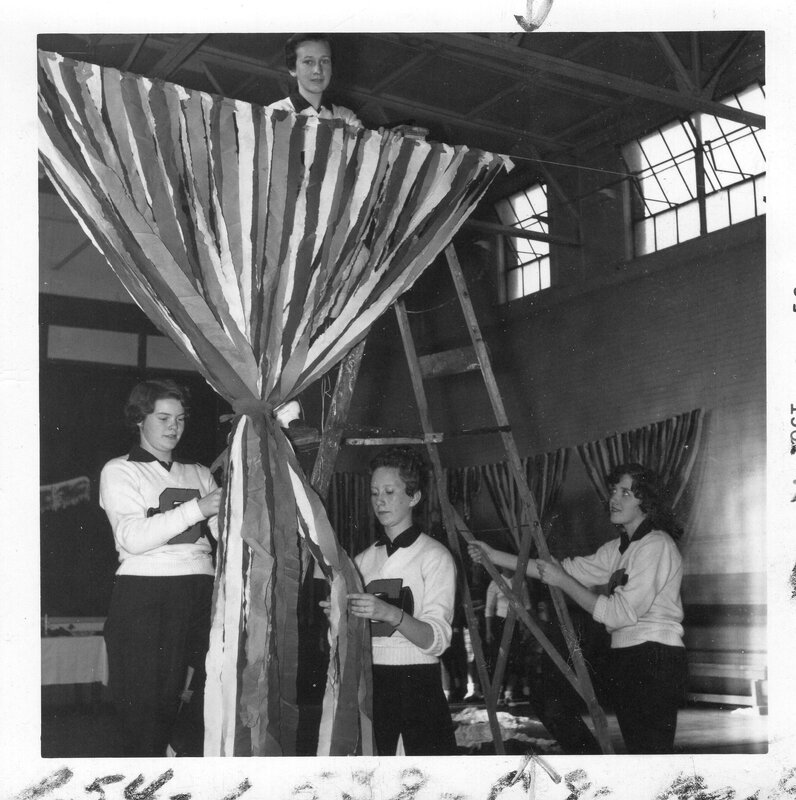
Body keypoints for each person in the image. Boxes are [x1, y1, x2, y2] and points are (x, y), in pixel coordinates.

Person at [468, 463, 687, 754]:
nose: (614, 498)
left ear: (646, 502)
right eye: (614, 491)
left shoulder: (657, 545)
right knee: (548, 698)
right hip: (625, 656)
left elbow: (618, 613)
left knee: (649, 755)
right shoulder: (617, 548)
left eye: (625, 493)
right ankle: (593, 765)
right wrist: (493, 555)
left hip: (655, 659)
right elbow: (559, 570)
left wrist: (563, 581)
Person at [99, 379, 221, 756]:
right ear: (140, 419)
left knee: (217, 687)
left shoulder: (199, 472)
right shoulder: (120, 470)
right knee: (145, 709)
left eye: (180, 419)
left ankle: (185, 754)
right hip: (145, 593)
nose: (174, 427)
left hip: (201, 590)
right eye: (163, 418)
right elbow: (132, 538)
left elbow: (227, 535)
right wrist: (197, 509)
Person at [332, 446, 457, 755]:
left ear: (414, 497)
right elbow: (351, 637)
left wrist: (391, 613)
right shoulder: (361, 560)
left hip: (418, 684)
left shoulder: (435, 556)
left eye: (389, 492)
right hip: (372, 684)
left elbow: (437, 641)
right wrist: (338, 615)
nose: (380, 501)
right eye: (375, 493)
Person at [266, 33, 362, 127]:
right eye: (308, 62)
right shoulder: (276, 112)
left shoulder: (346, 117)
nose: (318, 70)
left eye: (324, 61)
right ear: (292, 69)